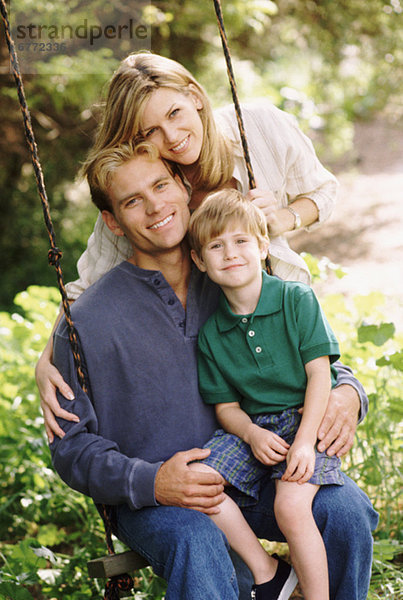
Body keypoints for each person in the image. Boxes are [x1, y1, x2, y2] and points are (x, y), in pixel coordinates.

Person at [48, 140, 378, 600]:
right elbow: (71, 448)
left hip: (259, 470)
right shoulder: (87, 321)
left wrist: (349, 392)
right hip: (161, 498)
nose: (155, 205)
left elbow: (310, 360)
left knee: (344, 510)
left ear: (183, 188)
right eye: (132, 201)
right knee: (196, 538)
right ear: (113, 222)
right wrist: (152, 481)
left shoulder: (231, 272)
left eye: (161, 185)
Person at [37, 50, 340, 439]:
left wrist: (283, 218)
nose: (172, 138)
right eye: (150, 132)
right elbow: (86, 285)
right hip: (225, 347)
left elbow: (324, 190)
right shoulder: (151, 190)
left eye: (175, 113)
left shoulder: (260, 128)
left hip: (284, 327)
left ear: (195, 96)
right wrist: (46, 358)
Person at [187, 189, 347, 599]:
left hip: (304, 419)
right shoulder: (211, 333)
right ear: (200, 261)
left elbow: (320, 378)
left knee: (290, 506)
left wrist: (307, 444)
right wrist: (252, 434)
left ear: (262, 247)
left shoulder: (296, 299)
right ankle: (268, 572)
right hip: (253, 429)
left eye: (241, 241)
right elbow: (226, 407)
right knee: (198, 485)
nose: (230, 253)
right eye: (216, 246)